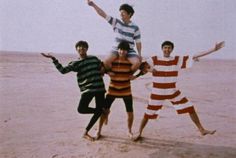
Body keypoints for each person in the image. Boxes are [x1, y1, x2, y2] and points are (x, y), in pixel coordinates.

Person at [133, 40, 225, 141]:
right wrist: (149, 69)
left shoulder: (177, 60)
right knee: (148, 113)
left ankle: (202, 130)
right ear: (162, 49)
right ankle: (139, 132)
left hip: (172, 92)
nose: (167, 50)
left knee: (190, 108)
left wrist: (213, 49)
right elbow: (139, 65)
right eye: (165, 48)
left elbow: (194, 56)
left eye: (169, 48)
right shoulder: (154, 59)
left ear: (172, 49)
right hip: (157, 92)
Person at [41, 40, 107, 141]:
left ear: (87, 49)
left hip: (99, 88)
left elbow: (102, 66)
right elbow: (63, 71)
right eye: (79, 47)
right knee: (81, 109)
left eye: (83, 47)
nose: (81, 48)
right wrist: (53, 59)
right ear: (76, 49)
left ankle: (85, 132)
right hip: (87, 90)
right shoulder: (75, 63)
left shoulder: (94, 59)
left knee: (98, 111)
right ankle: (101, 111)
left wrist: (103, 68)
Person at [96, 41, 138, 140]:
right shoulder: (112, 62)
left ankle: (129, 131)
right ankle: (98, 130)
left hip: (126, 91)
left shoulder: (130, 62)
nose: (122, 52)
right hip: (112, 90)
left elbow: (143, 67)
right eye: (120, 49)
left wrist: (136, 75)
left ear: (127, 51)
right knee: (104, 110)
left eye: (124, 50)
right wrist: (107, 72)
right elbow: (101, 67)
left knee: (130, 112)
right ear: (118, 50)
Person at [87, 0, 142, 73]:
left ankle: (128, 75)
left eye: (123, 13)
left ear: (129, 14)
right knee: (106, 62)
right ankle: (111, 73)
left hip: (129, 50)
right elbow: (103, 14)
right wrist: (93, 5)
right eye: (120, 13)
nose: (121, 14)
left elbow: (138, 42)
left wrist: (139, 54)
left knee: (137, 63)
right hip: (116, 49)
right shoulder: (116, 22)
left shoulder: (135, 27)